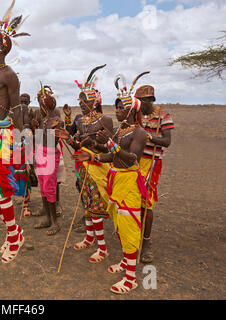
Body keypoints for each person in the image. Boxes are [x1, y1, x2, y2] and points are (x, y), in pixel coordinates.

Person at [75, 72, 150, 294]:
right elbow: (112, 156)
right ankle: (127, 264)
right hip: (115, 180)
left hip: (129, 182)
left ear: (132, 110)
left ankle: (130, 278)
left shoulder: (140, 132)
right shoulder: (119, 131)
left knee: (128, 228)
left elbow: (131, 159)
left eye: (120, 107)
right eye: (116, 107)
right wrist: (93, 156)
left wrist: (110, 144)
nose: (116, 110)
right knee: (119, 226)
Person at [0, 1, 30, 263]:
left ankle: (13, 236)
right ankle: (15, 231)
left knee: (0, 187)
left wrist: (23, 139)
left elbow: (18, 109)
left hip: (4, 136)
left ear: (2, 48)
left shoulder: (9, 74)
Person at [55, 64, 113, 263]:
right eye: (79, 100)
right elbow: (78, 143)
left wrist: (94, 144)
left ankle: (103, 248)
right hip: (83, 168)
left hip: (99, 167)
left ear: (95, 100)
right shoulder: (80, 122)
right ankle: (89, 238)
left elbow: (111, 149)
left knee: (96, 206)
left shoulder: (105, 120)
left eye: (85, 100)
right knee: (87, 203)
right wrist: (67, 138)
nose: (81, 103)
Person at [135, 85, 174, 264]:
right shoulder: (137, 116)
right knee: (133, 201)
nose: (138, 105)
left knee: (147, 203)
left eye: (140, 101)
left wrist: (148, 137)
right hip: (135, 162)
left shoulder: (163, 117)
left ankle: (146, 244)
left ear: (149, 101)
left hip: (152, 164)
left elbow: (166, 141)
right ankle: (134, 237)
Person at [33, 85, 64, 236]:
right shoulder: (45, 120)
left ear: (49, 105)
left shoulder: (56, 120)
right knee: (43, 187)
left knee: (50, 187)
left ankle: (55, 223)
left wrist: (52, 130)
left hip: (51, 154)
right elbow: (39, 138)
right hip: (41, 152)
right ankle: (47, 218)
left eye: (42, 104)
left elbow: (54, 140)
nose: (40, 106)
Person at [13, 93, 32, 217]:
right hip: (14, 147)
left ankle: (26, 205)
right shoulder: (14, 114)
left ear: (29, 102)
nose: (24, 104)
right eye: (22, 101)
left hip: (27, 147)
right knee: (12, 176)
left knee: (26, 176)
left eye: (26, 102)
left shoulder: (32, 114)